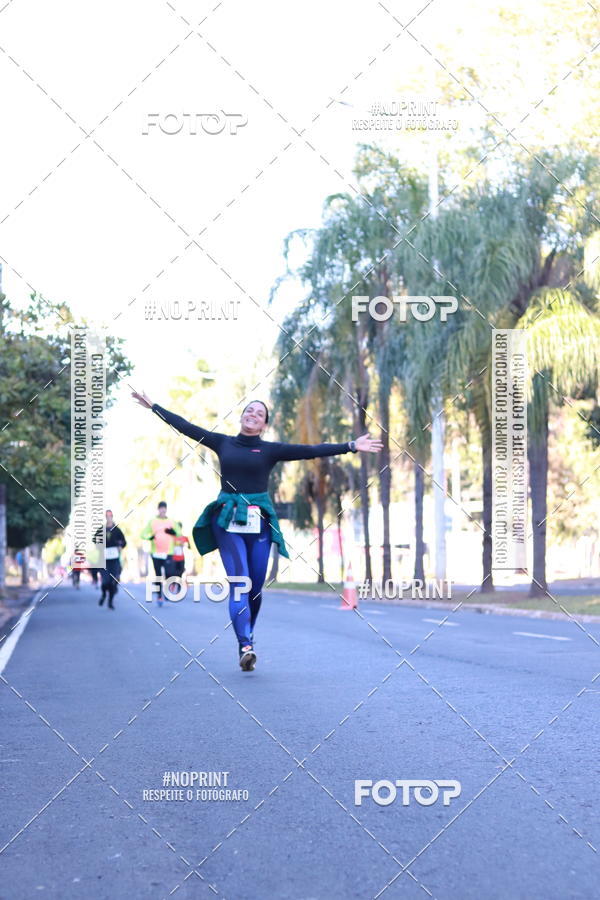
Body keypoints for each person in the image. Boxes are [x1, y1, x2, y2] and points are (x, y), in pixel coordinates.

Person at [132, 390, 382, 671]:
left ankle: (247, 636)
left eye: (259, 414)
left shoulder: (270, 450)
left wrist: (351, 445)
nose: (253, 415)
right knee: (241, 582)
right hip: (227, 520)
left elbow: (310, 451)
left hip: (259, 521)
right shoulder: (222, 442)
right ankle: (246, 644)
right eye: (249, 410)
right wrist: (154, 406)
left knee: (255, 588)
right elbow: (186, 427)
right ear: (241, 417)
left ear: (264, 425)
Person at [140, 501, 181, 606]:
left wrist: (173, 533)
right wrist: (150, 537)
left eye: (164, 508)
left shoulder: (171, 521)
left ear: (166, 509)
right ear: (158, 509)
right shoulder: (152, 521)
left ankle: (166, 592)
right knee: (158, 575)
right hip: (156, 553)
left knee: (169, 573)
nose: (163, 510)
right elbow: (143, 534)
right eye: (161, 508)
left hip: (168, 552)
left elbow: (179, 534)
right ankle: (159, 596)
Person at [96, 510, 127, 609]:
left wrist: (120, 546)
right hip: (104, 560)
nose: (109, 518)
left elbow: (124, 542)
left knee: (113, 581)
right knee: (105, 582)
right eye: (107, 516)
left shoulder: (117, 530)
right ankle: (104, 594)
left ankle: (110, 601)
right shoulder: (101, 530)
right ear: (105, 517)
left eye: (110, 516)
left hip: (114, 560)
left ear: (112, 517)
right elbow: (95, 541)